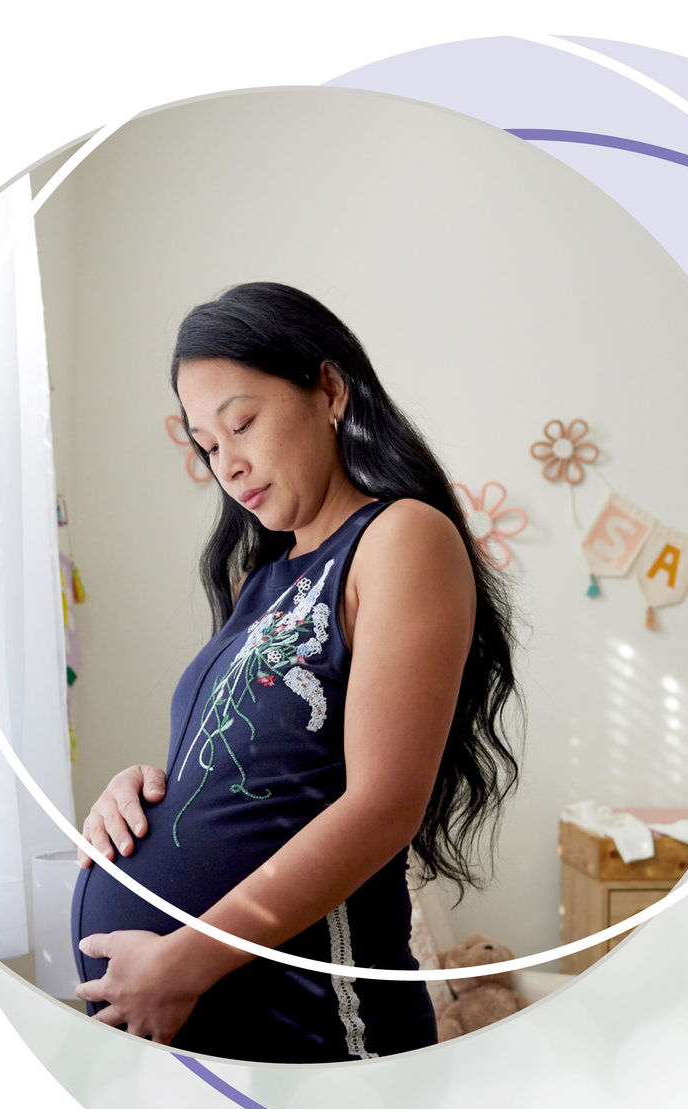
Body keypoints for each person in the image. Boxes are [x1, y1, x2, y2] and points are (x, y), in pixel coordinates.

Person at [70, 281, 523, 1061]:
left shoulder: (399, 538)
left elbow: (383, 807)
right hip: (204, 1039)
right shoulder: (261, 581)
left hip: (319, 1027)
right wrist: (146, 787)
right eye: (208, 445)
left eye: (242, 422)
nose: (229, 463)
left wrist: (186, 963)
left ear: (330, 390)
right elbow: (261, 771)